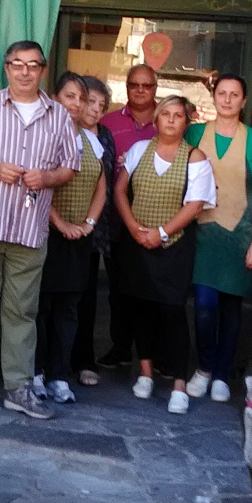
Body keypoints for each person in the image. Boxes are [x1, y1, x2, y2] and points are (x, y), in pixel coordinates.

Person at [0, 40, 80, 422]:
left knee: (22, 311)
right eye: (17, 65)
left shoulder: (58, 116)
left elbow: (69, 168)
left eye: (33, 65)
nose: (25, 72)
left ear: (43, 70)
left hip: (29, 229)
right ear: (6, 69)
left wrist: (48, 177)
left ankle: (17, 389)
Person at [112, 95, 215, 416]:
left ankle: (179, 385)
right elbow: (119, 191)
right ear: (156, 120)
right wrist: (133, 228)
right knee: (140, 308)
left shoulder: (195, 158)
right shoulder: (140, 150)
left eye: (177, 116)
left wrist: (161, 233)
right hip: (136, 242)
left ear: (187, 122)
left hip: (174, 246)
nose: (171, 120)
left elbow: (195, 205)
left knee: (172, 312)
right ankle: (145, 374)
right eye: (165, 114)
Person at [183, 75, 252, 403]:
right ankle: (204, 367)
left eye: (235, 94)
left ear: (244, 101)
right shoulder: (194, 133)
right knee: (204, 305)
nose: (228, 99)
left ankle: (222, 373)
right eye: (222, 93)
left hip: (241, 233)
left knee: (232, 308)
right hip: (203, 231)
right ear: (214, 97)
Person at [34, 73, 107, 405]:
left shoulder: (91, 141)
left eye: (82, 98)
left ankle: (60, 375)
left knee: (68, 310)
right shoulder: (44, 135)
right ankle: (35, 374)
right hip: (45, 233)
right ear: (55, 99)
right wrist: (61, 223)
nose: (77, 104)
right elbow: (38, 184)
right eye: (70, 97)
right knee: (40, 308)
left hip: (79, 237)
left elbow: (101, 186)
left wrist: (89, 223)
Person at [94, 64, 160, 372]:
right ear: (127, 88)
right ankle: (120, 348)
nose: (141, 90)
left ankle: (155, 353)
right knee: (119, 291)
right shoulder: (107, 122)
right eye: (135, 84)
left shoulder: (169, 120)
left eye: (147, 85)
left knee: (155, 290)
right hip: (115, 220)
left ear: (155, 88)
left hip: (158, 219)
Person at [70, 76, 117, 387]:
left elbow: (108, 182)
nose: (96, 109)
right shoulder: (64, 132)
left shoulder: (106, 137)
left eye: (102, 105)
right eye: (91, 102)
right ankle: (51, 362)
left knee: (87, 298)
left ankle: (84, 359)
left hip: (93, 229)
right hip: (60, 224)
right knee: (58, 298)